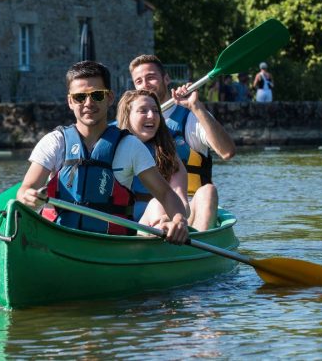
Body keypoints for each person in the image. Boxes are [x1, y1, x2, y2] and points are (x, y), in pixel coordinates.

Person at [16, 60, 188, 244]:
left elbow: (165, 194)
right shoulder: (54, 142)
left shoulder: (130, 146)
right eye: (80, 97)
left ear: (110, 98)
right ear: (70, 101)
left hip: (111, 244)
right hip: (58, 238)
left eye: (97, 95)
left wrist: (179, 220)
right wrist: (28, 197)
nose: (88, 103)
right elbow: (27, 188)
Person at [129, 54, 236, 231]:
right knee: (157, 204)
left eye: (151, 77)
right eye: (138, 81)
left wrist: (196, 106)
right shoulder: (125, 126)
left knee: (208, 191)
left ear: (166, 79)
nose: (145, 85)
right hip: (141, 214)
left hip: (188, 212)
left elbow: (227, 152)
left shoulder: (190, 118)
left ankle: (199, 247)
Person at [116, 89, 191, 227]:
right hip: (123, 224)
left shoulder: (168, 152)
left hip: (160, 223)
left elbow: (181, 200)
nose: (151, 115)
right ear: (127, 115)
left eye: (156, 111)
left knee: (208, 191)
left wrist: (177, 218)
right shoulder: (112, 147)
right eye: (143, 110)